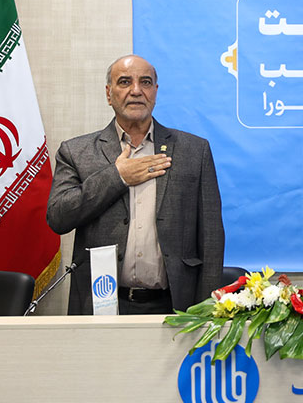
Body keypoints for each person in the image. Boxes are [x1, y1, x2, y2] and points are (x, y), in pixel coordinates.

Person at [47, 55, 224, 314]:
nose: (136, 90)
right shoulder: (76, 152)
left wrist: (208, 310)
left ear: (155, 92)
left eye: (146, 82)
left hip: (176, 305)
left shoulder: (194, 151)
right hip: (101, 304)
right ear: (109, 94)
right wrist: (117, 176)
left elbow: (211, 238)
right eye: (124, 82)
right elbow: (58, 217)